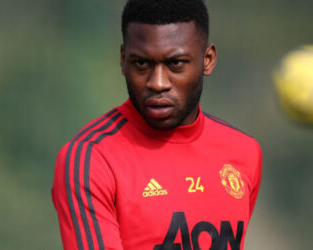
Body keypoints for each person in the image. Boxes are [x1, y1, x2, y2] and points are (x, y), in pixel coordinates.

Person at [51, 0, 262, 249]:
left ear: (208, 60)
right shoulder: (90, 160)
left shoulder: (243, 152)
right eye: (142, 64)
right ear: (122, 60)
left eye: (175, 64)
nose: (158, 83)